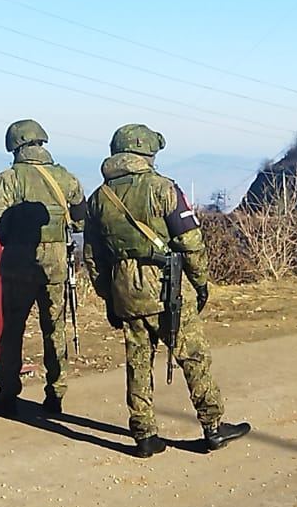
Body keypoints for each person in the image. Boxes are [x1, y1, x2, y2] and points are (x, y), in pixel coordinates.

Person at [83, 124, 249, 458]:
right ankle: (213, 427)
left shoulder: (99, 198)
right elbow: (191, 241)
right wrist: (200, 282)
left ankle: (144, 434)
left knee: (138, 361)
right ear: (147, 153)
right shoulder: (163, 188)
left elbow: (92, 256)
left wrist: (109, 295)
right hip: (166, 285)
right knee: (193, 356)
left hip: (125, 289)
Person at [0, 119, 86, 417]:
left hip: (18, 263)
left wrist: (12, 232)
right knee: (55, 329)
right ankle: (56, 393)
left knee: (13, 330)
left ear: (15, 145)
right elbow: (80, 220)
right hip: (56, 266)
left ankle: (7, 396)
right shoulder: (66, 178)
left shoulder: (10, 179)